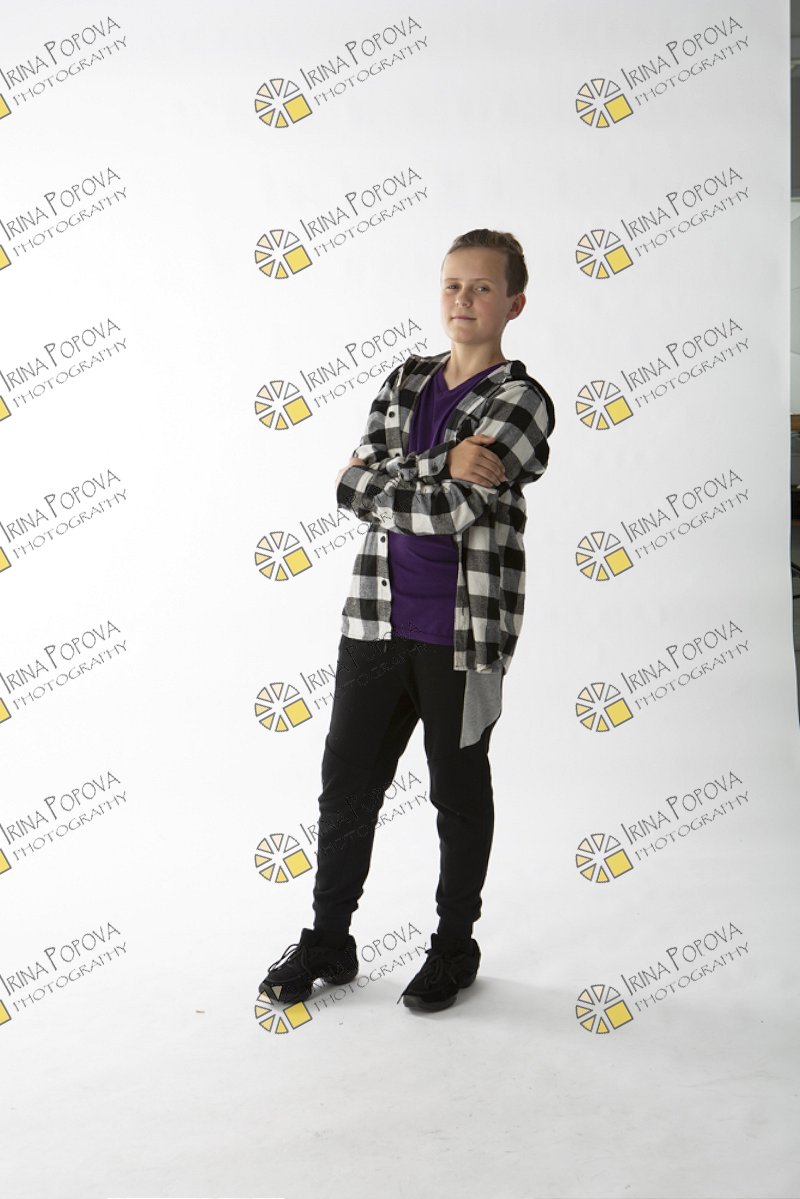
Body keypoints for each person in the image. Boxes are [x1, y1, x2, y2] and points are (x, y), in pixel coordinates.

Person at [258, 229, 556, 1013]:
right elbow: (350, 482)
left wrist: (391, 479)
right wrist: (437, 463)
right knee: (346, 788)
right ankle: (329, 939)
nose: (464, 299)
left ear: (514, 303)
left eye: (483, 287)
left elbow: (452, 508)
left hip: (463, 635)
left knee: (456, 794)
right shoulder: (406, 379)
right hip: (375, 623)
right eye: (453, 284)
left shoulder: (521, 401)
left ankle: (454, 946)